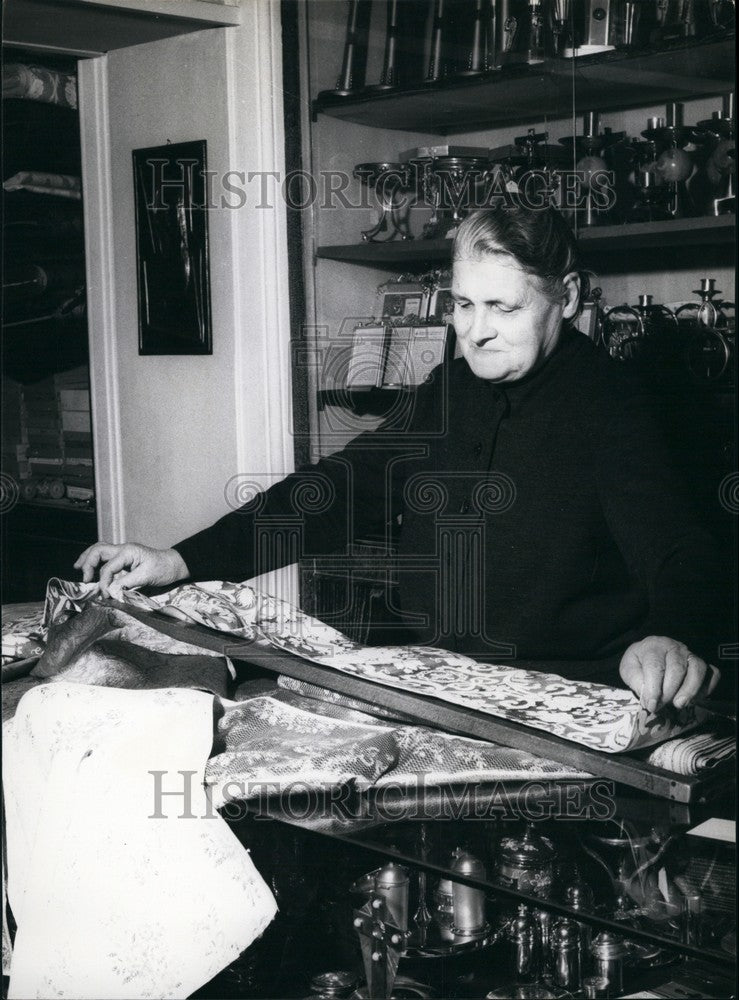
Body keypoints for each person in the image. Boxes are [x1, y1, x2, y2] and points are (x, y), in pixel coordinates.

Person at [76, 205, 725, 714]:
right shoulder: (452, 386)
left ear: (571, 296)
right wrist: (181, 560)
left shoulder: (614, 405)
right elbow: (337, 491)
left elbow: (678, 552)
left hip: (561, 705)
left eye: (503, 307)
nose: (476, 331)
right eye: (463, 305)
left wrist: (671, 635)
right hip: (433, 689)